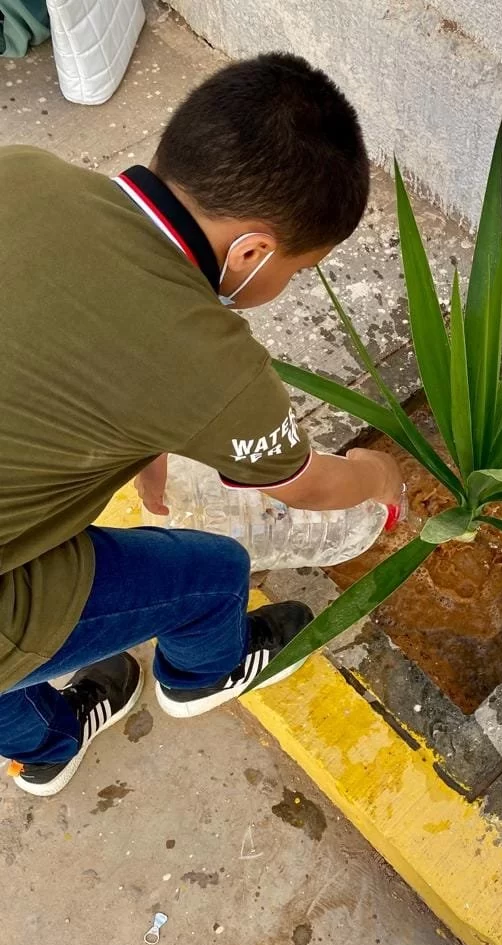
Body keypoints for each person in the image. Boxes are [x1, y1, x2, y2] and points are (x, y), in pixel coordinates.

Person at [0, 53, 403, 797]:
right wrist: (381, 474)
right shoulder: (218, 369)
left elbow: (67, 341)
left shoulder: (23, 172)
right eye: (297, 269)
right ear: (251, 250)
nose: (287, 284)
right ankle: (202, 675)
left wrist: (144, 445)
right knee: (214, 575)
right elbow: (309, 487)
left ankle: (46, 745)